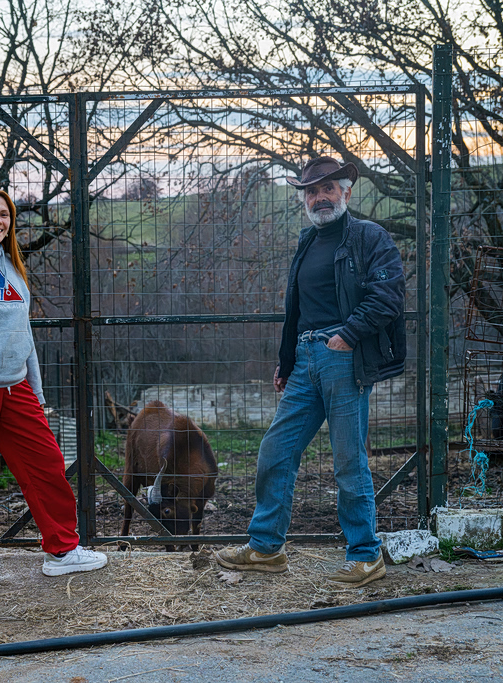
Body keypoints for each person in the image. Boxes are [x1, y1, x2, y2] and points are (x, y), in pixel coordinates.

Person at [214, 157, 406, 588]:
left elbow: (388, 294)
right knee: (275, 451)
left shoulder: (369, 237)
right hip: (305, 360)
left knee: (347, 461)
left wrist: (348, 336)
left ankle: (365, 554)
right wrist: (286, 361)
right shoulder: (307, 242)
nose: (319, 198)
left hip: (343, 357)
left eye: (327, 190)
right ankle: (265, 548)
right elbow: (295, 310)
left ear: (346, 193)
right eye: (311, 192)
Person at [0, 187, 108, 606]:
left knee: (47, 464)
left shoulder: (12, 268)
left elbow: (23, 334)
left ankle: (62, 551)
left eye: (5, 215)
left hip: (17, 390)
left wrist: (37, 391)